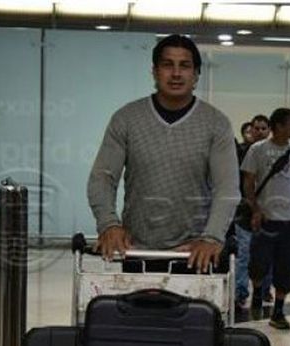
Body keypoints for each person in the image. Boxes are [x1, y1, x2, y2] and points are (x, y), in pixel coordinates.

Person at [87, 34, 239, 272]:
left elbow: (227, 188)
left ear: (196, 75)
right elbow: (102, 177)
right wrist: (108, 224)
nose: (176, 73)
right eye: (168, 65)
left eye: (185, 66)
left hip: (193, 253)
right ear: (155, 72)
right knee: (133, 310)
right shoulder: (126, 119)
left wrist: (212, 237)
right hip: (136, 250)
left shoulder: (216, 123)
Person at [241, 108, 290, 330]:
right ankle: (257, 290)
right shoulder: (257, 150)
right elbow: (248, 183)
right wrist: (255, 208)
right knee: (258, 263)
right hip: (266, 219)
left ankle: (279, 310)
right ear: (279, 126)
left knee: (286, 267)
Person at [234, 115, 274, 318]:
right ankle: (241, 292)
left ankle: (264, 289)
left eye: (263, 128)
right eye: (255, 128)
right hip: (244, 214)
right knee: (244, 256)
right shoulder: (241, 153)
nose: (259, 132)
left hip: (270, 214)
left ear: (269, 130)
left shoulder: (276, 154)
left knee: (267, 256)